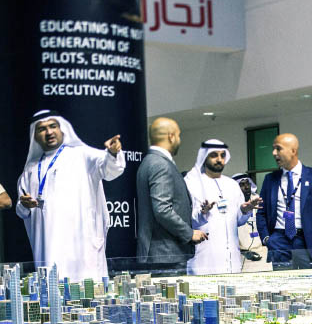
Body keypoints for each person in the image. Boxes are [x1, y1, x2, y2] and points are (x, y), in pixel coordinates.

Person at [16, 109, 124, 281]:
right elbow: (22, 212)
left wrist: (112, 153)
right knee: (53, 294)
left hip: (81, 249)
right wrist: (24, 205)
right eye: (42, 129)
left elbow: (110, 169)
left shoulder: (82, 155)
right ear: (35, 135)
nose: (49, 132)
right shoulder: (29, 172)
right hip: (48, 248)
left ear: (62, 129)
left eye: (53, 126)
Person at [137, 117, 208, 272]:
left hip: (161, 254)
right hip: (166, 255)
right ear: (171, 136)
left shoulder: (150, 161)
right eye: (178, 135)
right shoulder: (160, 164)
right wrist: (189, 234)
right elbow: (162, 209)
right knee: (170, 297)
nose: (179, 140)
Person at [185, 140, 262, 275]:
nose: (219, 159)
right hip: (205, 258)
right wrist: (203, 212)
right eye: (214, 155)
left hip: (232, 258)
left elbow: (238, 221)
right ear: (204, 157)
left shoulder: (232, 184)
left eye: (222, 155)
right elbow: (186, 221)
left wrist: (244, 210)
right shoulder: (192, 183)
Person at [256, 133, 312, 270]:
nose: (274, 153)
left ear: (293, 151)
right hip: (279, 241)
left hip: (307, 240)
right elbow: (261, 212)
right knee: (282, 287)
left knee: (307, 286)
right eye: (273, 149)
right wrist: (267, 239)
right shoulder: (270, 179)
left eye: (278, 149)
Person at [232, 173, 265, 263]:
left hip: (261, 249)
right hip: (241, 253)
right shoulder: (231, 204)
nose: (246, 187)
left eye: (248, 183)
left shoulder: (257, 200)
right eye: (242, 185)